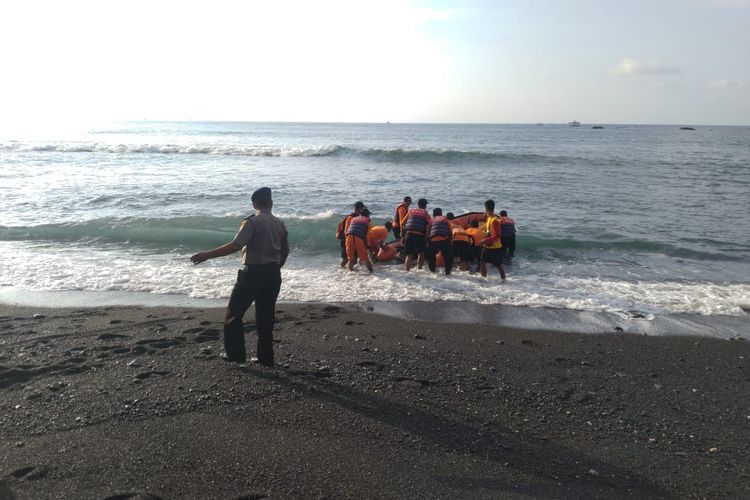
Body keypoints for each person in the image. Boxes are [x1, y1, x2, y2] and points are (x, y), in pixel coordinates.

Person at [190, 187, 289, 366]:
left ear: (254, 204)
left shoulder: (251, 222)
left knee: (234, 315)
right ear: (271, 203)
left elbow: (236, 245)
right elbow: (285, 251)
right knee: (265, 317)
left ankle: (236, 355)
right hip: (273, 274)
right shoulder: (280, 223)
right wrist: (275, 267)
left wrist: (207, 255)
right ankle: (265, 357)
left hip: (252, 274)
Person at [478, 199, 506, 280]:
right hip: (487, 246)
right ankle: (483, 280)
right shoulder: (490, 218)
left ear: (485, 208)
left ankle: (504, 281)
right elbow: (488, 229)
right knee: (482, 262)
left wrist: (484, 241)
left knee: (499, 266)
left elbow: (497, 235)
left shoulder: (494, 220)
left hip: (495, 247)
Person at [402, 198, 430, 272]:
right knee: (421, 253)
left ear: (418, 205)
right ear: (425, 206)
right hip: (419, 235)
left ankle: (407, 271)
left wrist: (402, 235)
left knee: (409, 255)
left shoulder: (411, 210)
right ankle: (419, 270)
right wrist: (427, 238)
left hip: (408, 234)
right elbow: (429, 225)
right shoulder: (425, 212)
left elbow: (402, 223)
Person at [337, 201, 365, 268]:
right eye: (362, 208)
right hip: (346, 240)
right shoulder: (350, 217)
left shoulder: (358, 217)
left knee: (355, 258)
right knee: (346, 259)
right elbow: (346, 231)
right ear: (358, 209)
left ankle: (352, 274)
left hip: (353, 239)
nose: (362, 210)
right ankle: (341, 270)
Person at [345, 208, 374, 273]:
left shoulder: (354, 219)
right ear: (367, 215)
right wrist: (368, 246)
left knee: (351, 259)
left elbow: (350, 229)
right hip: (358, 238)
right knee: (365, 259)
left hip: (348, 237)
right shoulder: (367, 221)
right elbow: (368, 235)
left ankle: (350, 274)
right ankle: (372, 272)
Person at [426, 208, 453, 275]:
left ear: (433, 214)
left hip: (433, 239)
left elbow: (428, 231)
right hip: (444, 239)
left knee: (431, 257)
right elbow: (450, 229)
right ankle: (448, 273)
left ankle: (432, 272)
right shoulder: (445, 219)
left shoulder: (431, 220)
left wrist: (427, 240)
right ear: (441, 213)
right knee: (448, 257)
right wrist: (450, 239)